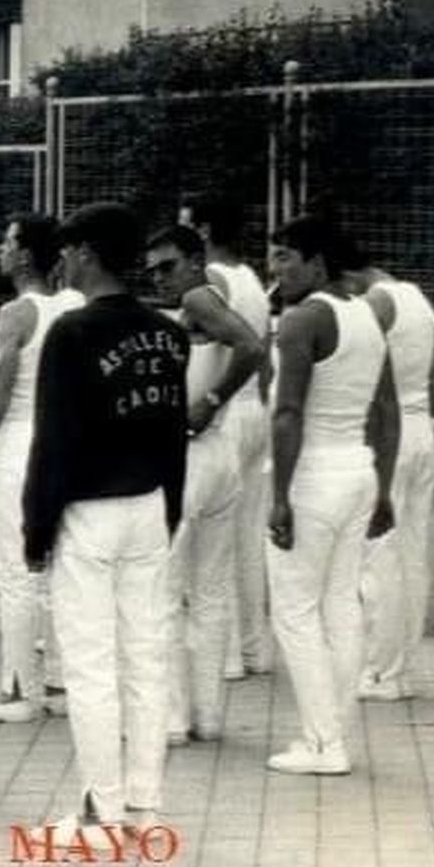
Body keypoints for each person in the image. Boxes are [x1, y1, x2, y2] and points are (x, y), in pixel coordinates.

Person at [24, 202, 190, 846]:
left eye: (67, 250)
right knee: (146, 658)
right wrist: (170, 508)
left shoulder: (70, 333)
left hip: (88, 511)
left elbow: (53, 441)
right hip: (149, 505)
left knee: (92, 667)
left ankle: (101, 812)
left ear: (87, 253)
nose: (61, 260)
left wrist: (35, 529)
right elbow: (173, 433)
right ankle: (145, 808)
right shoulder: (167, 332)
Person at [265, 218, 398, 774]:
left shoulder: (303, 320)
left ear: (316, 262)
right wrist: (384, 488)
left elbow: (288, 411)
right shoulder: (367, 314)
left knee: (295, 612)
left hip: (314, 474)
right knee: (341, 604)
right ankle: (332, 733)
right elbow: (386, 411)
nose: (275, 269)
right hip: (358, 472)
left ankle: (324, 744)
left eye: (284, 257)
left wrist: (278, 496)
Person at [145, 226, 265, 743]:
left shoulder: (198, 297)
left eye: (168, 267)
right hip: (216, 458)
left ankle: (172, 719)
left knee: (166, 590)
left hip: (191, 456)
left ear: (196, 261)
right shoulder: (205, 298)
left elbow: (252, 347)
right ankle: (208, 716)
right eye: (153, 271)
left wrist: (211, 401)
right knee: (210, 592)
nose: (161, 279)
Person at [0, 214, 81, 723]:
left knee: (17, 570)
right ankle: (57, 681)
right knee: (58, 565)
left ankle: (18, 690)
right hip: (66, 440)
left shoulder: (16, 313)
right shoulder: (74, 304)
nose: (0, 249)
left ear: (27, 255)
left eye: (8, 242)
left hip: (20, 444)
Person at [345, 254, 434, 701]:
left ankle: (379, 672)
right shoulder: (419, 300)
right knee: (411, 557)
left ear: (351, 274)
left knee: (378, 557)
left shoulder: (374, 302)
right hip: (423, 433)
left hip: (391, 436)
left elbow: (366, 380)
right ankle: (399, 669)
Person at [187, 198, 275, 678]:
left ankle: (222, 658)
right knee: (245, 533)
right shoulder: (253, 280)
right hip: (253, 408)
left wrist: (215, 399)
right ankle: (251, 648)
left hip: (228, 410)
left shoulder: (211, 282)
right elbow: (267, 353)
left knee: (212, 539)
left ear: (201, 229)